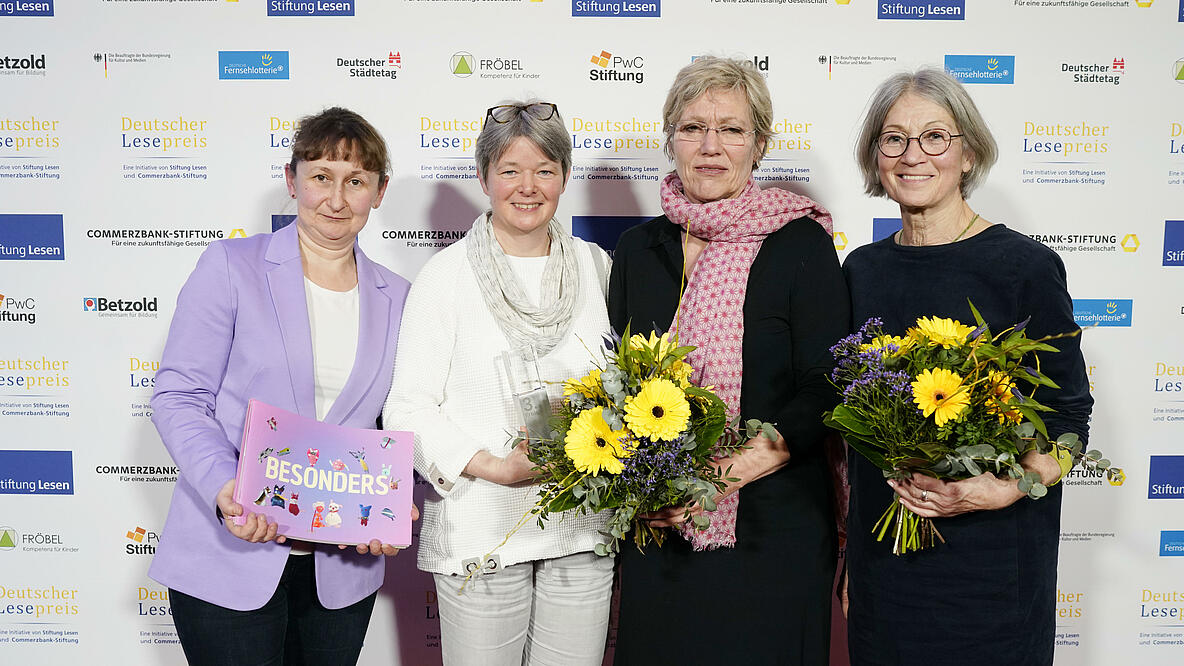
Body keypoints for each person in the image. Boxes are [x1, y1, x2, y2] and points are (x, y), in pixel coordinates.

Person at [842, 68, 1093, 665]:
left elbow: (1068, 418)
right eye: (894, 138)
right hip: (887, 562)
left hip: (992, 568)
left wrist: (1003, 489)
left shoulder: (1024, 266)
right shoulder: (860, 272)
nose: (913, 155)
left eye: (935, 136)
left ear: (969, 151)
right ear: (875, 155)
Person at [607, 56, 850, 664]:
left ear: (760, 144)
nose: (711, 147)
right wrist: (652, 491)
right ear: (671, 139)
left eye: (732, 129)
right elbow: (613, 385)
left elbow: (827, 389)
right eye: (692, 128)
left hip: (773, 530)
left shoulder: (801, 245)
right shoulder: (639, 250)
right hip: (658, 527)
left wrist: (715, 479)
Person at [149, 107, 413, 665]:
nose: (336, 200)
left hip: (341, 569)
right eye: (321, 177)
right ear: (292, 180)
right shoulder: (229, 266)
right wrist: (227, 489)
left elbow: (402, 421)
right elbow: (179, 394)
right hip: (230, 552)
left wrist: (398, 500)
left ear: (379, 191)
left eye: (356, 181)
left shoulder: (403, 298)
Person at [382, 100, 615, 665]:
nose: (527, 186)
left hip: (579, 528)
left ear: (564, 176)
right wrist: (497, 466)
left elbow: (628, 388)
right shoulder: (445, 276)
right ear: (483, 177)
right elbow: (408, 408)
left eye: (545, 169)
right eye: (509, 170)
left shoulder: (598, 267)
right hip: (481, 524)